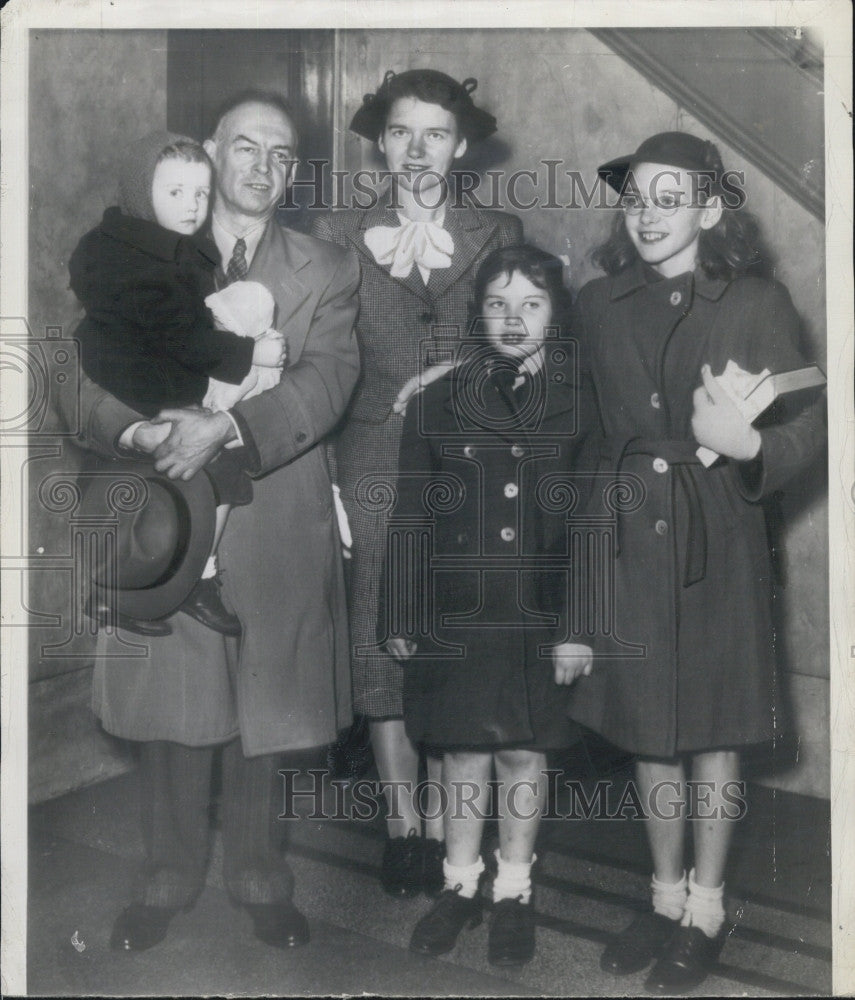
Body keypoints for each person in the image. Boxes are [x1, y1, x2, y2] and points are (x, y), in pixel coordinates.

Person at [60, 90, 360, 953]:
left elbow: (327, 382)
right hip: (163, 508)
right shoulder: (141, 244)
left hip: (273, 503)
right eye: (245, 148)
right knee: (174, 710)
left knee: (266, 709)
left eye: (281, 154)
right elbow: (79, 374)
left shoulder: (326, 267)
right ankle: (165, 876)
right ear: (209, 153)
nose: (263, 167)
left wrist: (226, 425)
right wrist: (143, 428)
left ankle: (262, 875)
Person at [565, 131, 826, 993]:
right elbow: (592, 436)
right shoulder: (598, 302)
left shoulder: (754, 300)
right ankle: (663, 894)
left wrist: (752, 444)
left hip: (717, 532)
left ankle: (707, 907)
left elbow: (808, 426)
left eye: (668, 199)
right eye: (635, 198)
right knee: (647, 732)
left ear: (709, 210)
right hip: (626, 528)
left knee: (712, 733)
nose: (646, 214)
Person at [311, 68, 523, 898]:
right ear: (381, 142)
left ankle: (449, 824)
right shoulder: (338, 231)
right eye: (401, 132)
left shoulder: (497, 229)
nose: (416, 149)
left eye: (434, 133)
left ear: (460, 145)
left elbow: (524, 338)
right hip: (370, 455)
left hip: (468, 454)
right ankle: (404, 826)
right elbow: (320, 354)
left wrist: (458, 375)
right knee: (378, 636)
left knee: (452, 634)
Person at [384, 245, 596, 966]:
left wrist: (578, 627)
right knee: (463, 750)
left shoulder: (575, 401)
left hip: (538, 613)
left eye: (531, 304)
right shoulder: (439, 399)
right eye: (497, 304)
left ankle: (512, 890)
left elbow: (590, 524)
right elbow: (410, 513)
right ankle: (458, 883)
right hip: (457, 615)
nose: (513, 319)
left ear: (555, 314)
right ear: (477, 313)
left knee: (522, 753)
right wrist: (403, 614)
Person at [69, 130, 287, 636]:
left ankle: (116, 593)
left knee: (145, 494)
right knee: (206, 474)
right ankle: (192, 579)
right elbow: (179, 338)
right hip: (139, 384)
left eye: (200, 194)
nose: (191, 206)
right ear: (142, 191)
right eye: (174, 193)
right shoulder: (146, 261)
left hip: (137, 376)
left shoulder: (142, 243)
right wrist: (251, 350)